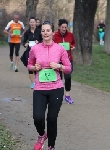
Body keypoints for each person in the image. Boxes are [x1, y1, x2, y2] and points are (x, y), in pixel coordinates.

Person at [28, 20, 71, 150]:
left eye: (48, 30)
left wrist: (59, 66)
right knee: (37, 117)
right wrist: (34, 67)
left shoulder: (60, 49)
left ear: (52, 32)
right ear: (41, 33)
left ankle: (51, 146)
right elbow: (29, 65)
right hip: (40, 89)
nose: (45, 33)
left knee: (52, 119)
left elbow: (69, 68)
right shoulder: (35, 49)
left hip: (56, 89)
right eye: (43, 31)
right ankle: (42, 134)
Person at [53, 19, 76, 104]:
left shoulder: (70, 35)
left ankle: (67, 95)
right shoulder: (55, 35)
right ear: (59, 27)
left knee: (68, 77)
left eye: (65, 27)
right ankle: (58, 95)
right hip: (57, 60)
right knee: (58, 78)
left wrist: (73, 47)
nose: (64, 29)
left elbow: (73, 43)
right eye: (62, 27)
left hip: (68, 59)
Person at [22, 17, 42, 89]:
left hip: (38, 51)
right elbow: (24, 41)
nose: (32, 24)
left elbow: (43, 41)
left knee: (37, 66)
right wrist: (25, 44)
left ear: (36, 23)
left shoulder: (39, 31)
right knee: (30, 66)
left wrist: (39, 42)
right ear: (29, 23)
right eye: (31, 22)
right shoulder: (27, 32)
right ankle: (32, 83)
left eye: (34, 22)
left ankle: (37, 81)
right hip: (29, 51)